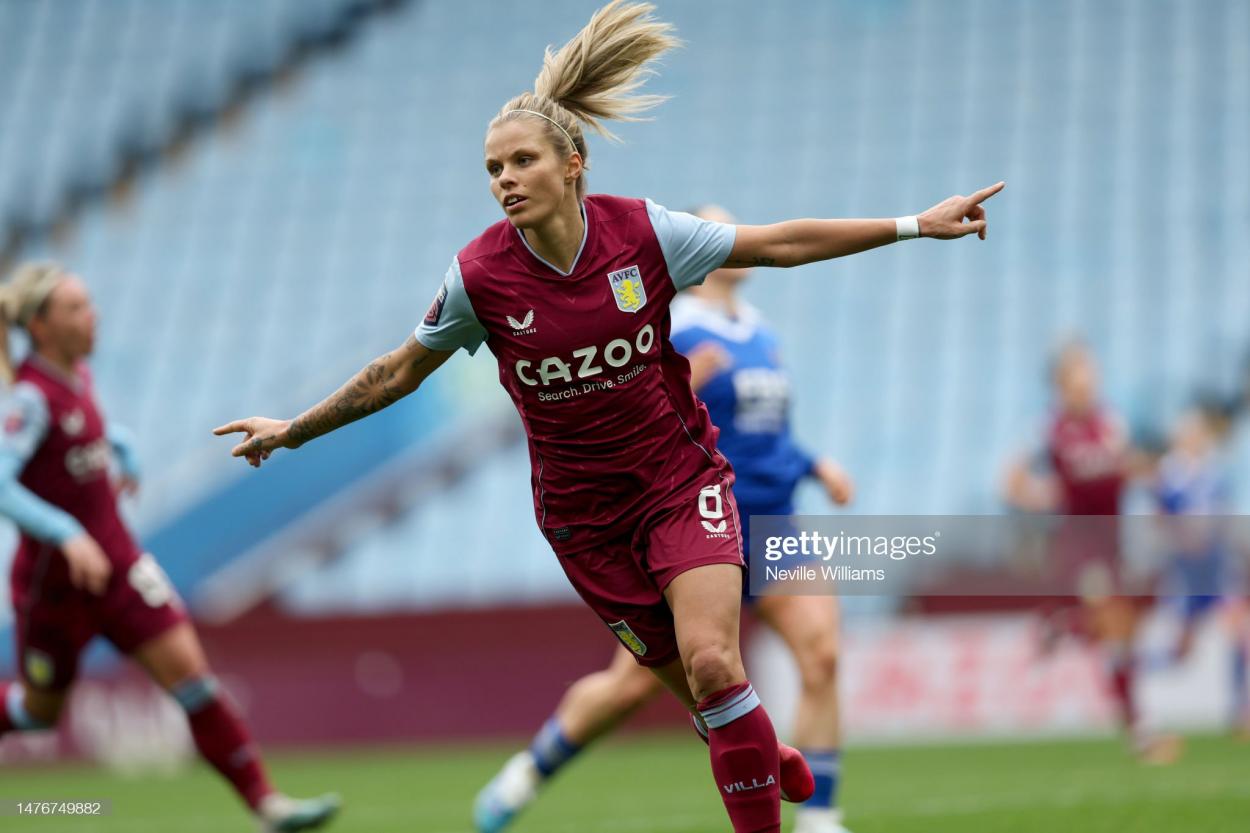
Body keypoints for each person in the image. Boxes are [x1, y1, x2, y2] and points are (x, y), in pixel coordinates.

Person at [215, 3, 1002, 829]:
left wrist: (916, 224)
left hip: (678, 482)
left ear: (573, 162)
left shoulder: (644, 234)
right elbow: (397, 373)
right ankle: (767, 755)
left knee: (711, 662)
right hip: (584, 522)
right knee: (711, 704)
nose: (505, 179)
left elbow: (777, 244)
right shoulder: (480, 278)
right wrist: (293, 428)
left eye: (522, 160)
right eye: (492, 167)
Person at [472, 203, 856, 833]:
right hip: (694, 522)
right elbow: (642, 406)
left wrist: (815, 465)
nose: (725, 231)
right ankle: (529, 772)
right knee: (634, 687)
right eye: (713, 226)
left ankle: (821, 816)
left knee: (824, 657)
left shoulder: (760, 332)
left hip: (776, 522)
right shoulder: (676, 325)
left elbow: (766, 432)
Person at [0, 263, 340, 833]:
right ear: (41, 325)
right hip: (53, 588)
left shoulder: (76, 376)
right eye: (77, 308)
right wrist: (66, 534)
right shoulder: (29, 399)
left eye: (90, 304)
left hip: (120, 567)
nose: (94, 316)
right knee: (38, 714)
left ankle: (266, 805)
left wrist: (123, 447)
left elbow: (84, 432)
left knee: (195, 681)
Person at [1003, 341, 1179, 763]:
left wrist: (1151, 478)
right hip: (1080, 544)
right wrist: (1045, 496)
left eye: (1092, 372)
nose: (1089, 381)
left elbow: (1124, 470)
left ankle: (1062, 623)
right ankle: (1142, 732)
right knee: (1113, 623)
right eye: (1081, 373)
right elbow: (1012, 481)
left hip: (1114, 541)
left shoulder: (1110, 423)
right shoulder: (1049, 429)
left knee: (1120, 636)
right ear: (1063, 383)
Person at [1153, 403, 1249, 737]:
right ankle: (1135, 677)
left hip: (1216, 564)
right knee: (1181, 649)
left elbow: (1222, 514)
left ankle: (1241, 710)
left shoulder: (1214, 470)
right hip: (1186, 568)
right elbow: (1162, 519)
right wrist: (1184, 539)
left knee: (1240, 632)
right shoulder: (1170, 473)